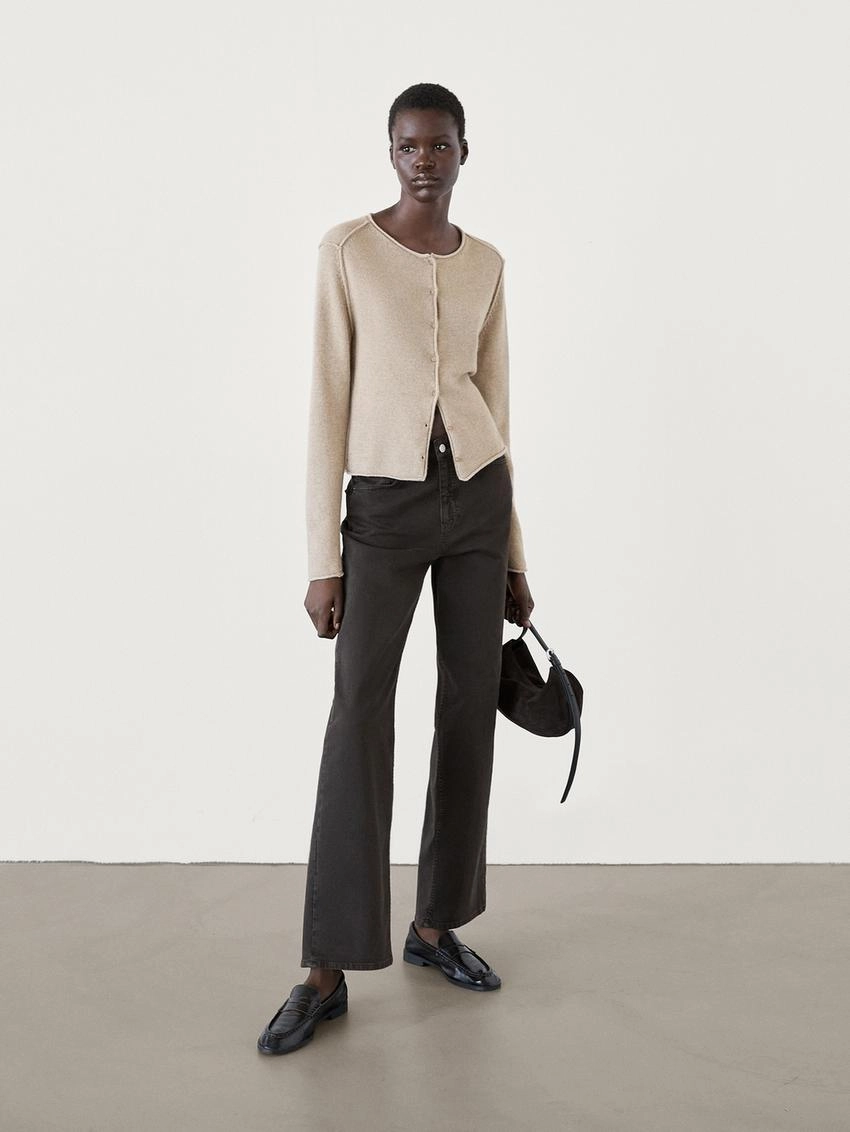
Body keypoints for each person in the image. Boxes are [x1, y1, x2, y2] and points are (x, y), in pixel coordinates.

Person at [258, 82, 534, 1056]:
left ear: (464, 153)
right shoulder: (347, 251)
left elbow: (498, 404)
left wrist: (514, 553)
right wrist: (321, 557)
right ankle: (324, 968)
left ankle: (436, 923)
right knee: (358, 715)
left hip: (478, 504)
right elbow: (325, 402)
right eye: (410, 145)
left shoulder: (488, 264)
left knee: (466, 709)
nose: (425, 159)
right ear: (390, 152)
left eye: (440, 144)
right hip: (382, 507)